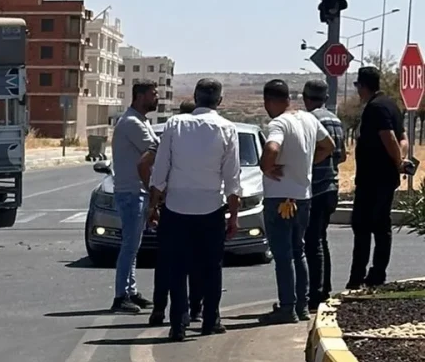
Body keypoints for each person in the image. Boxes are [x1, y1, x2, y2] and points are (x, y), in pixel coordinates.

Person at [148, 78, 241, 341]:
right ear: (219, 101)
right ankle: (210, 320)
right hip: (211, 208)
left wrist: (153, 207)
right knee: (211, 267)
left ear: (195, 97)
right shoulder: (227, 128)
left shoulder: (175, 124)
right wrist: (233, 217)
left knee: (177, 267)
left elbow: (160, 171)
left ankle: (178, 323)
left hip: (176, 207)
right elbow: (232, 179)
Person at [258, 80, 334, 324]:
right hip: (303, 196)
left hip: (280, 197)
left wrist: (265, 167)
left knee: (283, 255)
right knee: (298, 251)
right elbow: (329, 146)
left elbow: (272, 148)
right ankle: (301, 305)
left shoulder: (278, 123)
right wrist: (308, 162)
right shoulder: (308, 119)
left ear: (270, 101)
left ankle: (287, 307)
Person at [348, 66, 408, 289]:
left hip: (373, 179)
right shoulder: (391, 105)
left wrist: (398, 162)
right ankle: (376, 274)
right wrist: (399, 160)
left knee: (363, 227)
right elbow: (403, 139)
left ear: (363, 86)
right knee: (381, 226)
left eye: (357, 86)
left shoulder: (376, 107)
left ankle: (360, 276)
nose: (357, 91)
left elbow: (389, 136)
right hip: (384, 178)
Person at [109, 81, 160, 314]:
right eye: (153, 94)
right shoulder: (132, 123)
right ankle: (121, 296)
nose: (156, 98)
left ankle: (131, 291)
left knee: (134, 246)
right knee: (129, 246)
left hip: (137, 192)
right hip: (131, 192)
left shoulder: (141, 121)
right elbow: (155, 150)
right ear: (140, 96)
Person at [302, 79, 345, 310]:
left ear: (305, 97)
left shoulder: (310, 120)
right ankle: (324, 288)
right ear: (326, 98)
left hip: (316, 188)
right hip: (332, 186)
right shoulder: (335, 120)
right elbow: (343, 155)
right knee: (321, 239)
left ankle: (315, 294)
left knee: (312, 242)